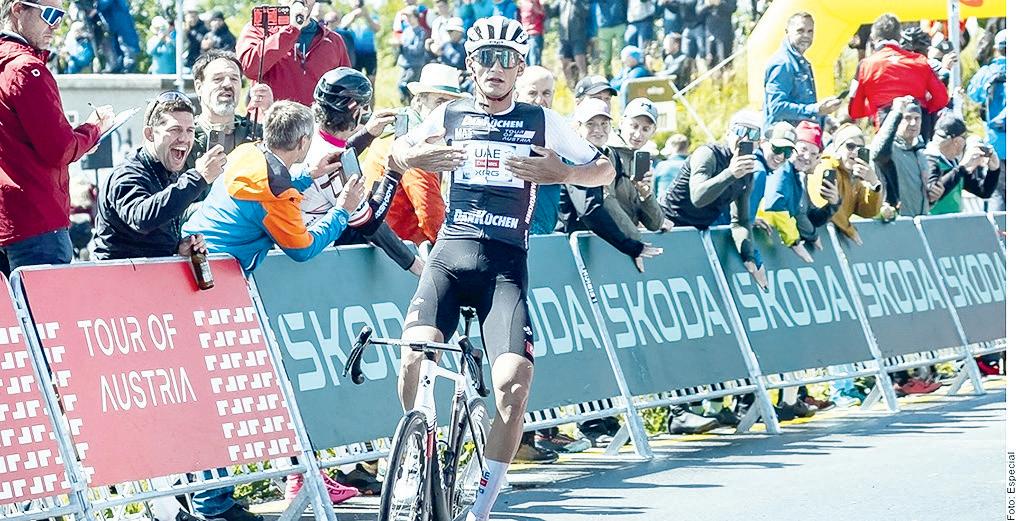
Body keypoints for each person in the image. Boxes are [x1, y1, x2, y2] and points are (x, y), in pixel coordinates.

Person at [387, 16, 614, 521]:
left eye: (506, 59)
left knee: (513, 383)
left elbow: (605, 169)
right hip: (449, 258)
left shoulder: (542, 120)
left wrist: (565, 172)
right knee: (413, 356)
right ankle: (414, 454)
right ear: (471, 65)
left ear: (520, 67)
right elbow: (398, 149)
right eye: (486, 57)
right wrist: (418, 156)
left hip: (505, 268)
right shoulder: (448, 113)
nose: (496, 67)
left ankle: (483, 506)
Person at [0, 0, 114, 275]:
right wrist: (93, 129)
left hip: (8, 221)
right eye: (50, 14)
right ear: (18, 9)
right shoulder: (26, 68)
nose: (56, 25)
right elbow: (60, 149)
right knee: (44, 304)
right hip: (37, 222)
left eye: (61, 16)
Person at [297, 67, 423, 275]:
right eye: (364, 108)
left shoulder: (309, 135)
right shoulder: (335, 165)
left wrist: (367, 134)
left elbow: (338, 151)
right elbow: (370, 224)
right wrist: (394, 172)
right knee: (365, 219)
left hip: (294, 234)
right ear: (355, 112)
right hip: (314, 255)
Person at [91, 91, 226, 260]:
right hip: (117, 273)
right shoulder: (127, 174)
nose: (184, 138)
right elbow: (142, 218)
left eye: (190, 130)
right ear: (150, 134)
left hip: (153, 272)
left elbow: (153, 234)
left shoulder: (167, 171)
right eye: (175, 130)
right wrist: (199, 177)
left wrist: (178, 248)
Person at [360, 63, 468, 245]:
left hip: (380, 242)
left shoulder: (399, 130)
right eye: (439, 102)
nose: (444, 111)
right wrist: (458, 249)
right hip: (398, 247)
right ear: (418, 101)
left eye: (451, 105)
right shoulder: (415, 145)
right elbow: (431, 218)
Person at [659, 110, 766, 287]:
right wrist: (730, 173)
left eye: (753, 134)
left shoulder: (747, 173)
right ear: (728, 133)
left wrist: (749, 256)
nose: (745, 138)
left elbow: (740, 221)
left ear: (758, 143)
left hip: (696, 235)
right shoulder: (707, 154)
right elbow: (698, 197)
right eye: (740, 131)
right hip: (667, 226)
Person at [236, 0, 351, 105]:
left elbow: (347, 89)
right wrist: (291, 29)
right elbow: (249, 69)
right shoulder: (259, 29)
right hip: (270, 119)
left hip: (315, 120)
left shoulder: (333, 40)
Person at [847, 13, 949, 125]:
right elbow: (942, 99)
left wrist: (876, 109)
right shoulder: (920, 60)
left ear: (873, 38)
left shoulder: (865, 65)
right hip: (917, 124)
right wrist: (922, 109)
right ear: (900, 36)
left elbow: (854, 111)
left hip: (883, 126)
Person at [185, 50, 274, 175]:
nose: (227, 84)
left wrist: (270, 113)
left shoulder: (257, 133)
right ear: (199, 87)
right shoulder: (185, 137)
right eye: (218, 79)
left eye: (234, 79)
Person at [806, 124, 883, 245]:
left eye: (860, 148)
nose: (855, 152)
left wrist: (874, 184)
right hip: (815, 237)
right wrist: (850, 230)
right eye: (850, 146)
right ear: (838, 149)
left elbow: (868, 212)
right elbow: (824, 205)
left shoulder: (853, 176)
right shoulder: (825, 167)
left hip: (832, 240)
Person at [762, 12, 841, 128]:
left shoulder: (800, 62)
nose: (806, 36)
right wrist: (816, 110)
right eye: (800, 31)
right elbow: (777, 108)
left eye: (810, 31)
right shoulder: (783, 63)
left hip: (802, 133)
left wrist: (824, 118)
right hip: (783, 136)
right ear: (787, 32)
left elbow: (803, 103)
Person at [870, 96, 938, 219]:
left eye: (917, 118)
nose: (913, 123)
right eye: (907, 118)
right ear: (898, 121)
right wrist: (896, 112)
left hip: (919, 223)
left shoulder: (920, 154)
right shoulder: (890, 151)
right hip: (895, 223)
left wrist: (932, 198)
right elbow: (877, 153)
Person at [926, 113, 1001, 215]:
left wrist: (994, 170)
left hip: (953, 221)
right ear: (957, 141)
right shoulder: (929, 160)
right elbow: (931, 194)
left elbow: (983, 191)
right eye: (964, 138)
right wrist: (962, 167)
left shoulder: (953, 163)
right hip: (933, 221)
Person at [516, 66, 559, 236]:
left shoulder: (561, 134)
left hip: (545, 236)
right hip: (509, 236)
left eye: (546, 93)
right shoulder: (499, 131)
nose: (540, 100)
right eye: (532, 93)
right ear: (517, 95)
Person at [966, 29, 1006, 211]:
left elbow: (972, 95)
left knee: (997, 192)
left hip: (995, 143)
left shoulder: (987, 72)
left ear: (996, 49)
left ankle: (999, 228)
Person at [549, 0, 590, 88]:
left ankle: (585, 86)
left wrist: (575, 2)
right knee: (565, 63)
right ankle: (571, 86)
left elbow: (585, 13)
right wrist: (544, 5)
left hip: (578, 37)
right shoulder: (561, 1)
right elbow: (551, 13)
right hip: (564, 38)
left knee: (581, 63)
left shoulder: (581, 2)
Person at [339, 0, 381, 85]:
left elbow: (377, 28)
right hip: (354, 54)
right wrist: (354, 16)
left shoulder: (372, 16)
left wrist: (367, 16)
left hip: (370, 52)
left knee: (371, 80)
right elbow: (342, 28)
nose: (357, 4)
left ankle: (371, 94)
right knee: (355, 81)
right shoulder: (348, 17)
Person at [396, 6, 428, 104]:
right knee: (401, 87)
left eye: (410, 16)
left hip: (415, 66)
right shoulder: (406, 31)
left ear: (416, 17)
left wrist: (403, 44)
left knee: (408, 88)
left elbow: (417, 49)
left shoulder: (421, 32)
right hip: (405, 65)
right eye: (407, 16)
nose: (408, 19)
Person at [96, 0, 139, 72]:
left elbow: (104, 3)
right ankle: (118, 64)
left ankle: (128, 63)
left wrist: (95, 6)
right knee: (115, 44)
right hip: (112, 23)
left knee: (125, 42)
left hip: (121, 20)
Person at [696, 0, 735, 68]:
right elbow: (698, 12)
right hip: (709, 33)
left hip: (724, 33)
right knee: (710, 62)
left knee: (725, 62)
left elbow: (732, 8)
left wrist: (719, 3)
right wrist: (708, 5)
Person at [593, 0, 626, 77]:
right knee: (605, 55)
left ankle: (625, 72)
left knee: (623, 52)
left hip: (620, 23)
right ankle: (608, 74)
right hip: (604, 25)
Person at [652, 133, 689, 199]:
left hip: (663, 204)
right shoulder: (693, 165)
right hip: (687, 204)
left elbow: (653, 190)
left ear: (672, 147)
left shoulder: (662, 166)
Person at [518, 0, 544, 66]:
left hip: (535, 33)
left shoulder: (537, 2)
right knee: (525, 60)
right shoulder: (522, 3)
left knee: (534, 60)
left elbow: (543, 14)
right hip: (524, 34)